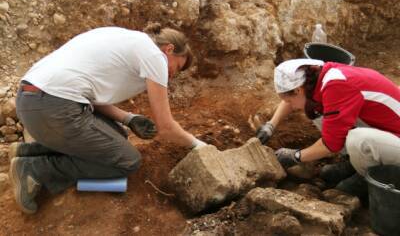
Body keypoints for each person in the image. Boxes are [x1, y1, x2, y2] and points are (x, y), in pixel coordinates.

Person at [9, 25, 208, 214]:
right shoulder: (155, 56)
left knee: (118, 134)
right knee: (127, 161)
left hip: (31, 101)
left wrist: (128, 119)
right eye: (178, 66)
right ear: (169, 49)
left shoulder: (124, 37)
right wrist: (199, 145)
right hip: (51, 108)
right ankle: (35, 170)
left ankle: (30, 151)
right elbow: (165, 127)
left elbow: (87, 92)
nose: (172, 75)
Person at [256, 58, 400, 198]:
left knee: (357, 139)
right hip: (388, 132)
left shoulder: (337, 87)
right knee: (317, 112)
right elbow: (291, 97)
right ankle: (353, 162)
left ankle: (366, 179)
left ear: (299, 90)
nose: (291, 106)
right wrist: (270, 125)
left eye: (289, 101)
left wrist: (296, 156)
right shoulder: (321, 77)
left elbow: (331, 144)